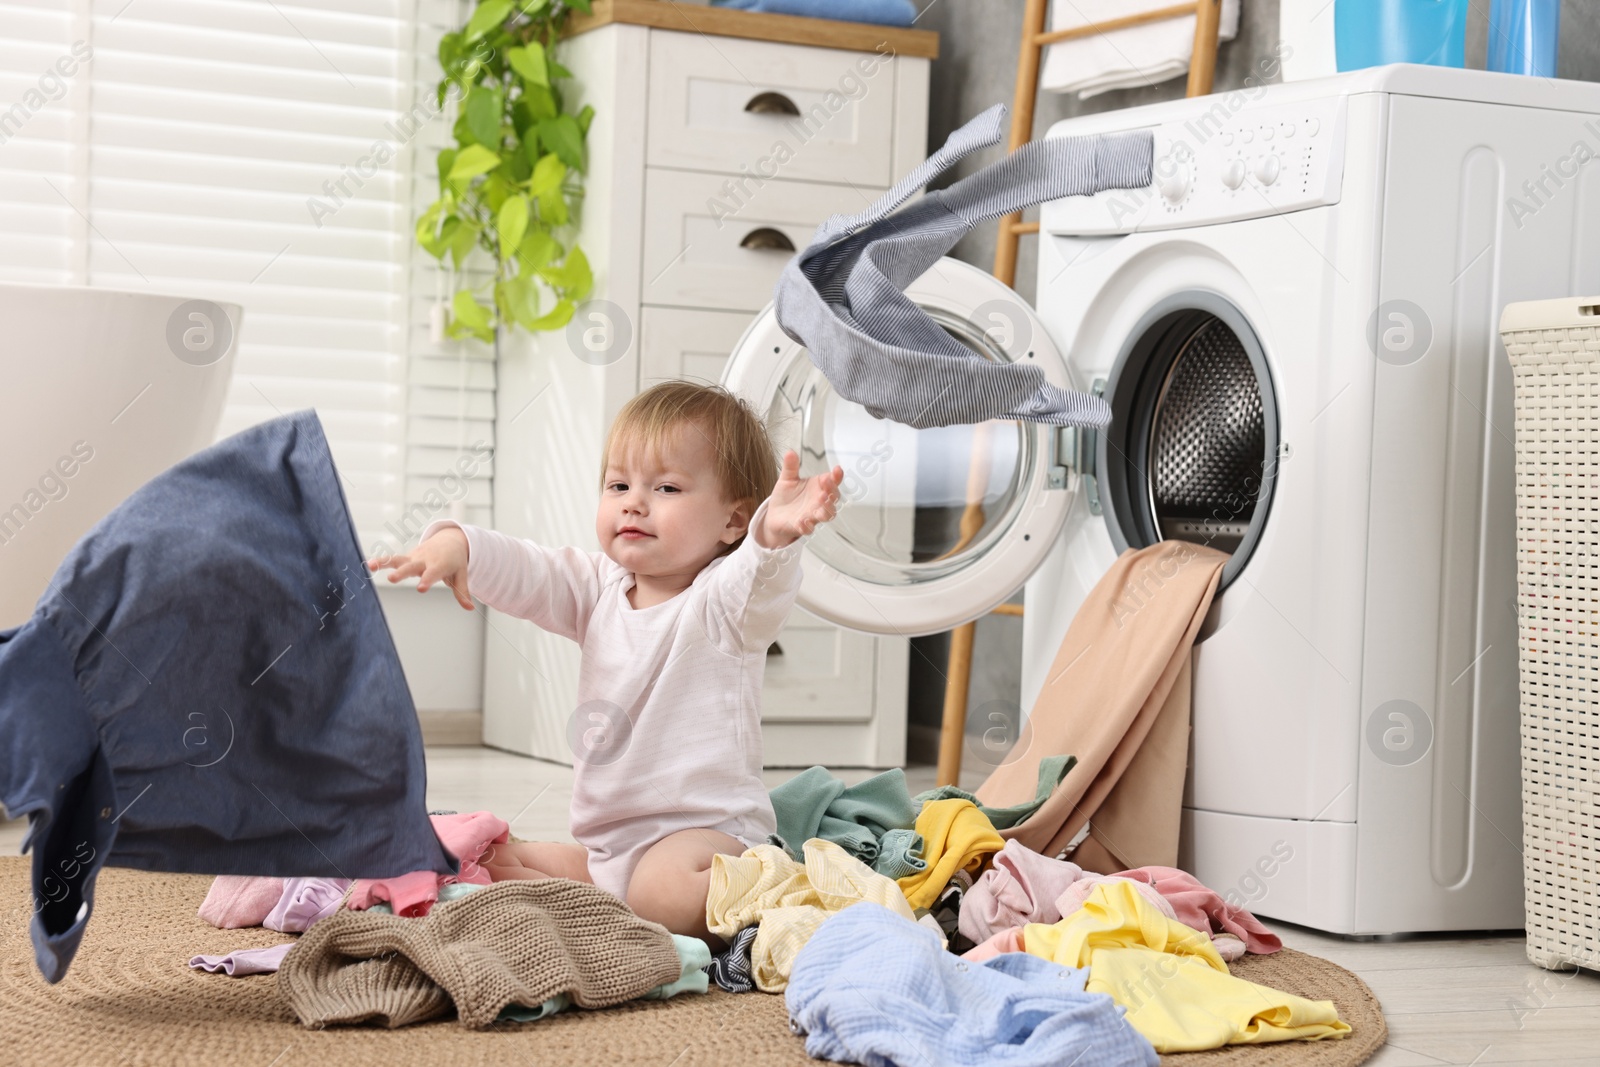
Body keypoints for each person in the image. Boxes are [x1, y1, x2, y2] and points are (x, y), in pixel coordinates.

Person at [365, 381, 843, 949]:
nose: (633, 503)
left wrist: (772, 536)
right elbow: (531, 570)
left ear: (732, 521)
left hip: (706, 838)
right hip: (609, 849)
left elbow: (759, 579)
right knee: (495, 860)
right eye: (618, 484)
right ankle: (614, 904)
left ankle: (782, 887)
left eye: (666, 487)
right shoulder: (598, 589)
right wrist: (456, 546)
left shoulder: (723, 605)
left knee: (660, 895)